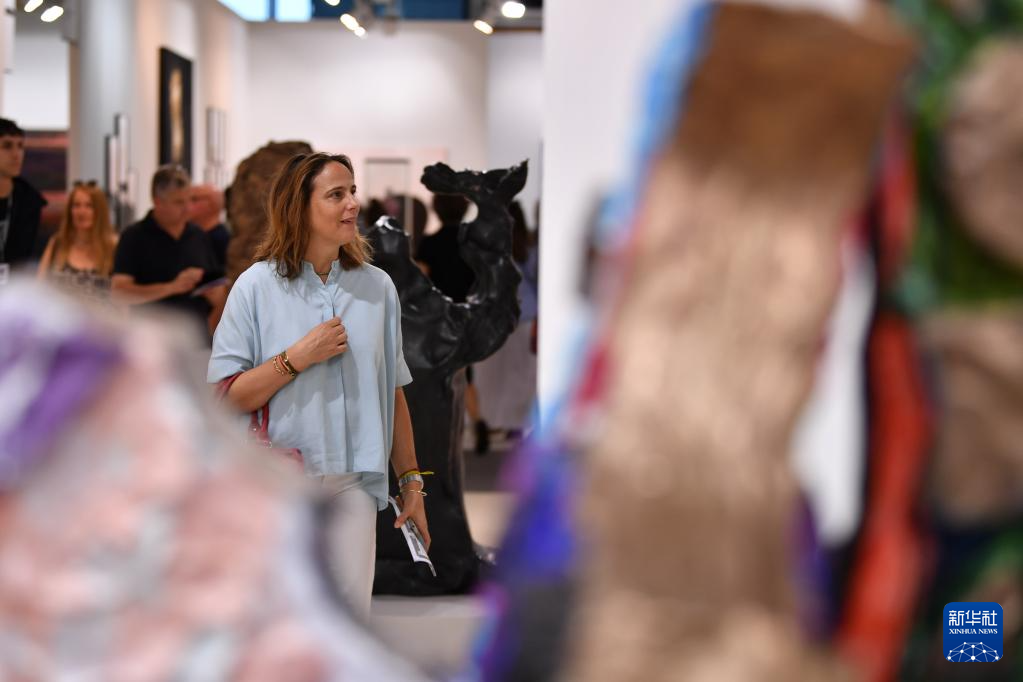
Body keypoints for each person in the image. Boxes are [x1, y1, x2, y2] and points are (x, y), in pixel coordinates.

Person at [207, 152, 429, 617]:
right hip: (280, 486)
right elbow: (226, 397)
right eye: (336, 194)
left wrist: (411, 483)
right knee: (284, 625)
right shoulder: (254, 287)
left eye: (353, 191)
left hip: (356, 485)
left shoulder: (378, 288)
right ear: (299, 207)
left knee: (348, 621)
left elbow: (393, 391)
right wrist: (296, 358)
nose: (353, 204)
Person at [111, 165, 228, 339]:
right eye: (178, 202)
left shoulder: (198, 234)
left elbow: (215, 288)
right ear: (157, 201)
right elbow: (120, 292)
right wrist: (171, 287)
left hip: (196, 339)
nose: (187, 208)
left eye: (189, 200)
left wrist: (217, 296)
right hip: (153, 341)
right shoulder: (134, 237)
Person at [415, 193, 490, 453]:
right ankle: (476, 419)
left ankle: (446, 427)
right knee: (466, 373)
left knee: (439, 374)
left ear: (436, 210)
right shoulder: (474, 243)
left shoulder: (430, 243)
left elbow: (422, 280)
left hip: (439, 317)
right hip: (467, 314)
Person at [37, 181, 118, 303]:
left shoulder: (113, 247)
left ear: (100, 210)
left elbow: (124, 298)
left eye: (89, 206)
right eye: (76, 205)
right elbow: (39, 289)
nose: (81, 211)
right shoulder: (57, 243)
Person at [0, 118, 47, 272]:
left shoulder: (30, 203)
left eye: (20, 146)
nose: (16, 154)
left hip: (16, 283)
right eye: (7, 146)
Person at [188, 183, 231, 269]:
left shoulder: (222, 241)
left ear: (211, 204)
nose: (186, 204)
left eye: (193, 199)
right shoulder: (191, 235)